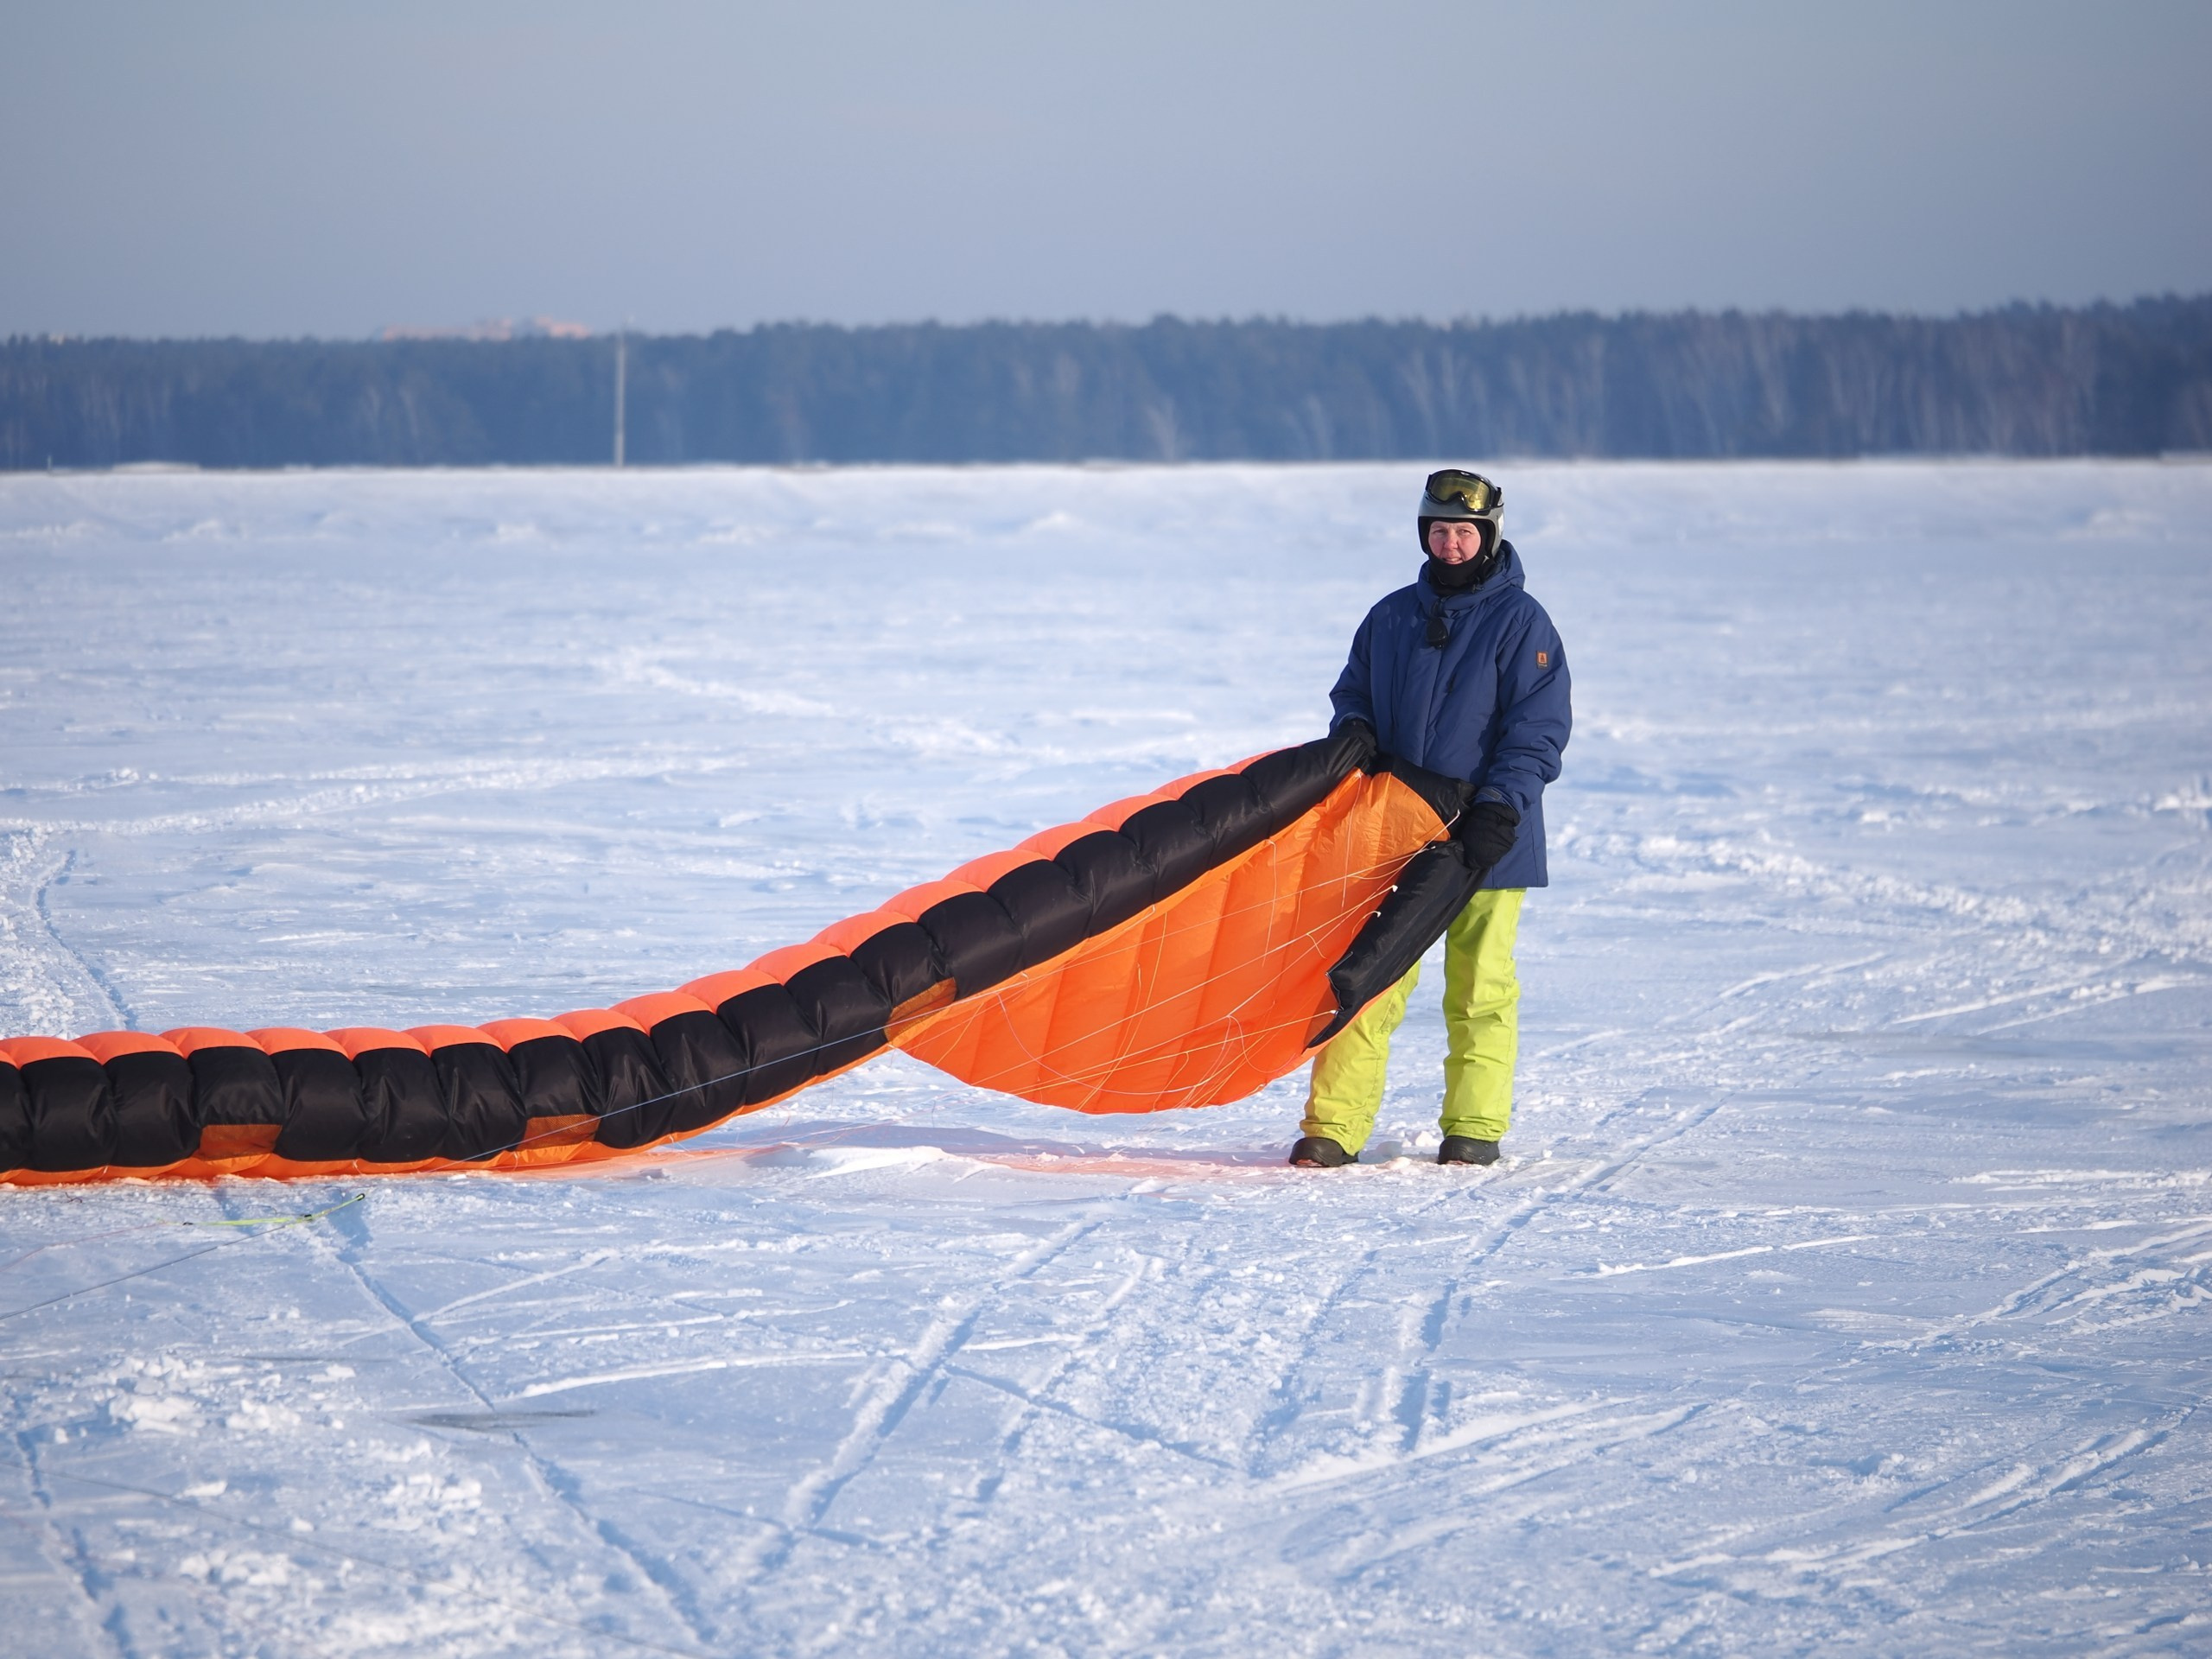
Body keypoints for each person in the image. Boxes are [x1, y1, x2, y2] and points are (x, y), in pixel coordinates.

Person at [1291, 469, 1571, 1169]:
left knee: (1479, 987)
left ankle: (1473, 1128)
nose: (1450, 545)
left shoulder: (1522, 622)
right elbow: (1352, 693)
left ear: (1488, 537)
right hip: (1393, 832)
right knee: (1369, 981)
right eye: (1440, 531)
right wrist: (1352, 733)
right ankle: (1334, 1128)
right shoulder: (1390, 617)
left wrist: (1501, 807)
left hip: (1488, 840)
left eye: (1464, 533)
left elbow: (1536, 730)